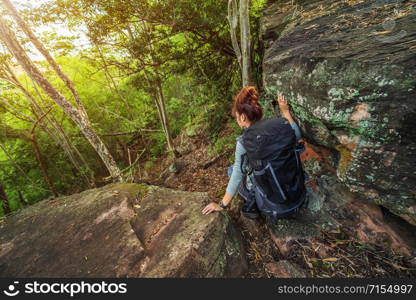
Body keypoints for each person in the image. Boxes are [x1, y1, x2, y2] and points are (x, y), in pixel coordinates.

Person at [202, 86, 302, 215]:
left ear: (243, 117)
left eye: (237, 116)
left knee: (232, 169)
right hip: (296, 192)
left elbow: (238, 172)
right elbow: (297, 135)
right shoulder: (278, 125)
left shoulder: (245, 142)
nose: (237, 119)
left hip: (273, 203)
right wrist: (285, 111)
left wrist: (221, 205)